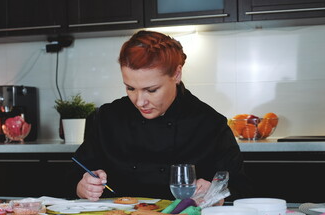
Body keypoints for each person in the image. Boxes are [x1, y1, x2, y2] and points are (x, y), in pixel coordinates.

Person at [73, 30, 250, 201]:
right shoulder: (108, 118)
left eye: (151, 90)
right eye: (130, 88)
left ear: (176, 74)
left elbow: (238, 188)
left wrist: (214, 195)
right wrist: (83, 186)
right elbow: (73, 173)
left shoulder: (209, 124)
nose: (140, 101)